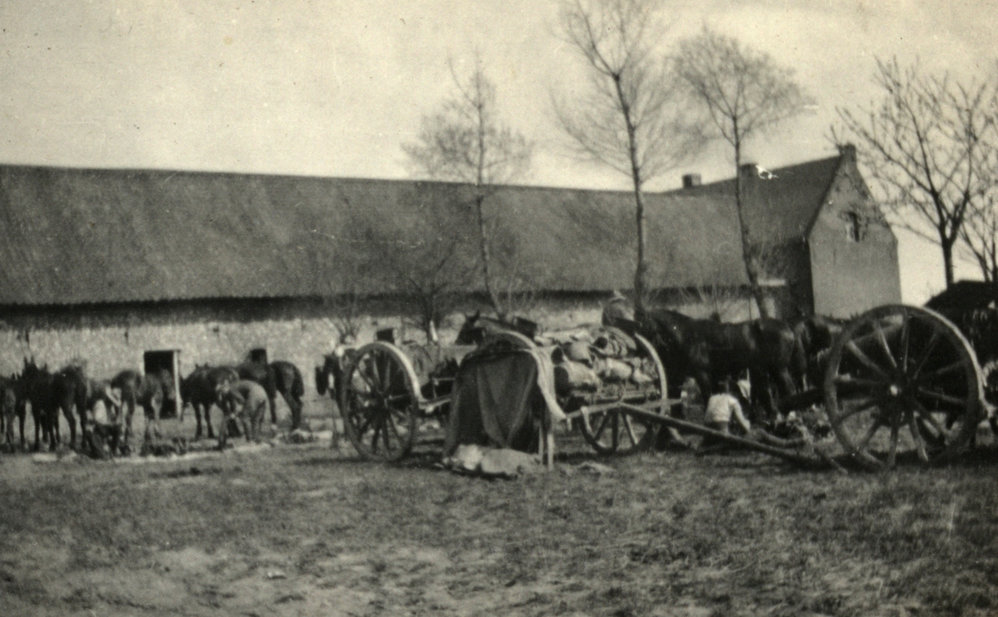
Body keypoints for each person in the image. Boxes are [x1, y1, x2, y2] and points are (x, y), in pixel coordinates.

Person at [699, 379, 752, 453]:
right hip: (721, 429)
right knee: (758, 434)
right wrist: (748, 426)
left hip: (707, 431)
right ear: (735, 393)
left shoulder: (712, 398)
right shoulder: (733, 400)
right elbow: (744, 426)